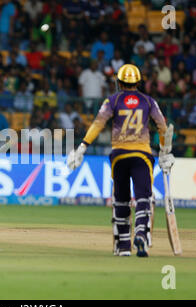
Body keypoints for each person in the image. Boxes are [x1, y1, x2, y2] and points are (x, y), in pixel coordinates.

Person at [67, 64, 175, 258]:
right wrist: (165, 151)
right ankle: (141, 233)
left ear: (119, 82)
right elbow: (162, 126)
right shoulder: (149, 101)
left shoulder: (112, 100)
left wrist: (82, 147)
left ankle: (123, 245)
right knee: (144, 197)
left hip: (119, 155)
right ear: (138, 82)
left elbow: (98, 124)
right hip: (142, 155)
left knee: (121, 199)